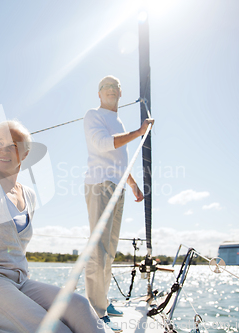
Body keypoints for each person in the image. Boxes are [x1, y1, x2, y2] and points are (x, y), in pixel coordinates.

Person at [0, 120, 108, 333]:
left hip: (20, 282)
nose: (4, 149)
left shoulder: (29, 195)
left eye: (13, 145)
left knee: (80, 306)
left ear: (26, 154)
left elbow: (16, 249)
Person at [83, 76, 154, 330]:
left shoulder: (119, 121)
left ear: (121, 94)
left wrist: (132, 183)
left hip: (118, 185)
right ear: (99, 93)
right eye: (106, 86)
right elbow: (103, 145)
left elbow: (120, 159)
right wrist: (138, 133)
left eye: (115, 86)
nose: (111, 89)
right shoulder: (94, 115)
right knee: (98, 248)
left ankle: (102, 300)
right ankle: (94, 310)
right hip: (100, 183)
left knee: (110, 249)